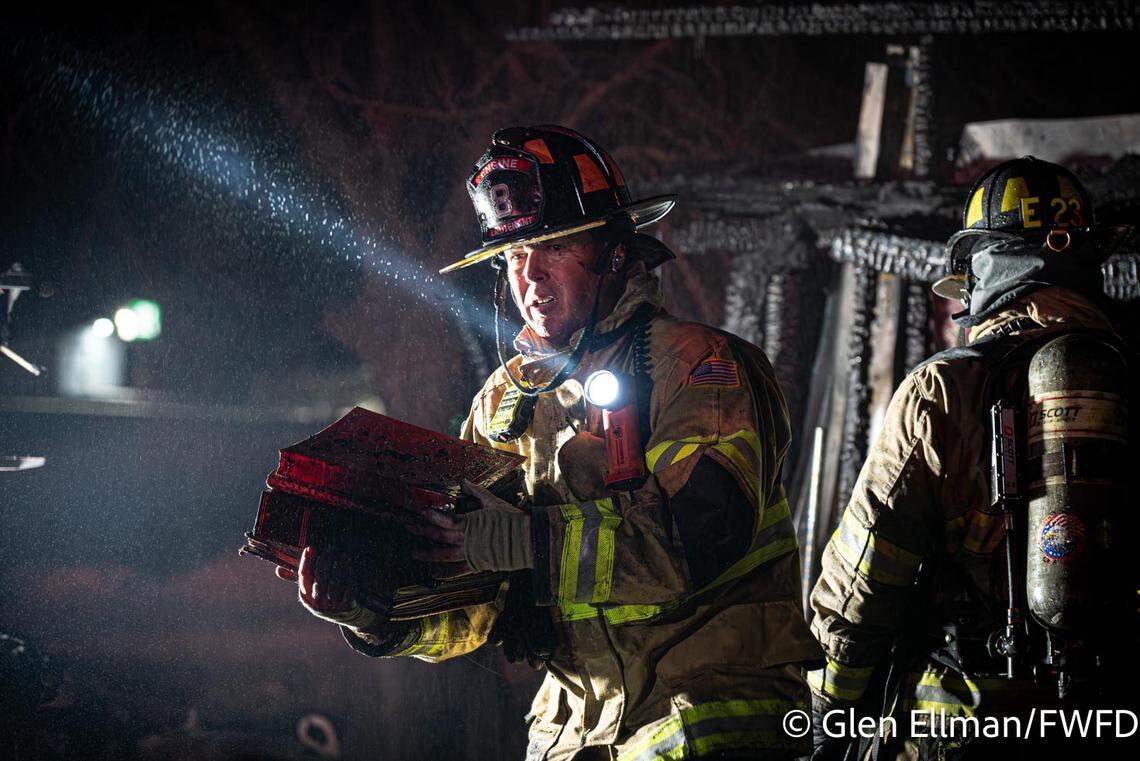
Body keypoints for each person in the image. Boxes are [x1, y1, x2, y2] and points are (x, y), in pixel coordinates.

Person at [279, 125, 822, 759]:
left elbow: (697, 544)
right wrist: (371, 611)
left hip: (711, 724)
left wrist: (524, 540)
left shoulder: (699, 368)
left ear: (617, 253)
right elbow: (474, 607)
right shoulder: (503, 407)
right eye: (512, 257)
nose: (529, 278)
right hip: (572, 739)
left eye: (553, 248)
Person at [807, 156, 1135, 760]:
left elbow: (863, 579)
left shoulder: (943, 390)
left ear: (981, 273)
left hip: (968, 726)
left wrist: (830, 711)